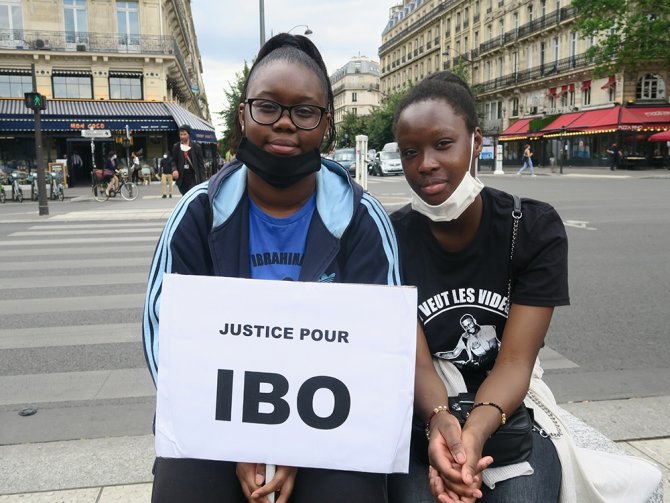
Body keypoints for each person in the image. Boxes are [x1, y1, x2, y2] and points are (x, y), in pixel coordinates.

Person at [142, 33, 400, 503]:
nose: (284, 124)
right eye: (267, 107)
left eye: (304, 111)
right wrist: (238, 440)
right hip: (215, 422)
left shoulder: (363, 220)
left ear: (327, 124)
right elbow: (165, 339)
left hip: (331, 425)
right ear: (242, 114)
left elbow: (379, 353)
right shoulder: (198, 214)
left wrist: (297, 442)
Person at [388, 71, 569, 503]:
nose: (425, 163)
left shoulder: (533, 228)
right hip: (423, 415)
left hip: (509, 414)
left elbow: (514, 362)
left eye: (443, 144)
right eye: (411, 152)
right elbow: (418, 367)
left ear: (476, 141)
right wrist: (441, 424)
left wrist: (473, 436)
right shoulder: (388, 239)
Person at [171, 123, 205, 195]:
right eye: (181, 134)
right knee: (185, 196)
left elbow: (201, 165)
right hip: (182, 178)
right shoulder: (176, 147)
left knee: (191, 195)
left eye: (184, 134)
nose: (182, 136)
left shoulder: (196, 147)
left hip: (193, 177)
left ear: (189, 134)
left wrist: (203, 181)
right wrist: (174, 169)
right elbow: (173, 160)